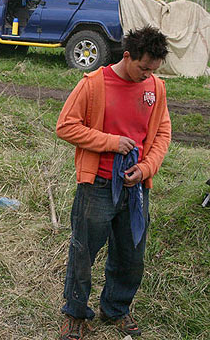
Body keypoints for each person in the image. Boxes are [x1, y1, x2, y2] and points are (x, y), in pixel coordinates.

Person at [56, 26, 171, 340]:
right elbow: (65, 126)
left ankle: (116, 308)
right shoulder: (93, 84)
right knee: (83, 252)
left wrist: (146, 168)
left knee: (131, 254)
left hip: (136, 189)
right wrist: (110, 142)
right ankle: (75, 314)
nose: (147, 75)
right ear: (127, 55)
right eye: (143, 67)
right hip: (98, 185)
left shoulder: (156, 88)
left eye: (153, 70)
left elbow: (162, 134)